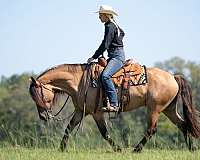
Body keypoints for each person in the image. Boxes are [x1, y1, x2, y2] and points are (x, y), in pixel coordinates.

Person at [87, 5, 125, 112]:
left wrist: (93, 57)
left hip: (116, 57)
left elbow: (105, 44)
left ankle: (114, 103)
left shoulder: (109, 26)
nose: (99, 17)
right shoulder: (115, 25)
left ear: (106, 15)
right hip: (115, 55)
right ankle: (105, 100)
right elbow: (121, 35)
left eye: (100, 15)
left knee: (105, 76)